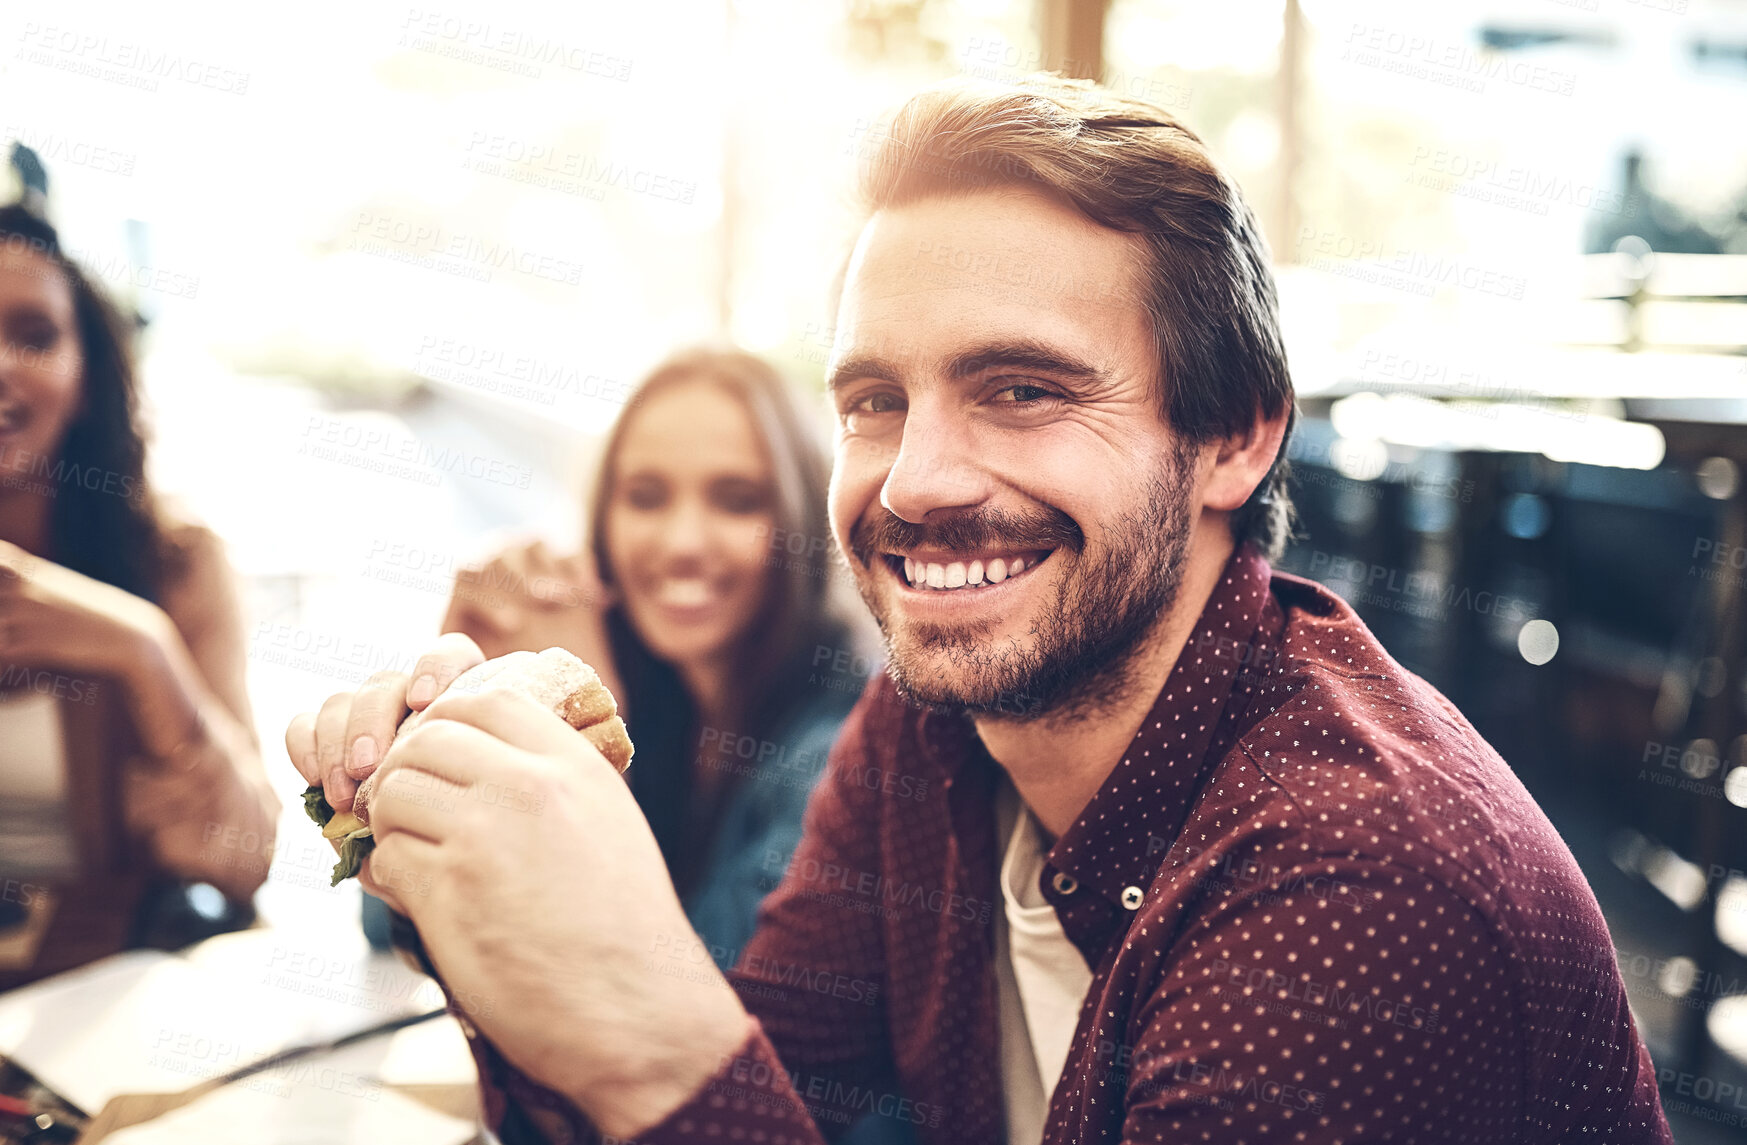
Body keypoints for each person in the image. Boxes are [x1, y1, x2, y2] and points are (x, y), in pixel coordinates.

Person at [287, 76, 1672, 1144]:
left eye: (1020, 389)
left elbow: (691, 1088)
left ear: (1233, 437)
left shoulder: (1357, 890)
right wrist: (488, 875)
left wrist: (654, 1037)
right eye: (873, 401)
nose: (916, 481)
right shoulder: (928, 729)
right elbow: (787, 1098)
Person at [429, 347, 874, 960]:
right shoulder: (659, 697)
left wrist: (585, 747)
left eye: (736, 499)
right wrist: (463, 688)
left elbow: (697, 992)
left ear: (801, 518)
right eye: (645, 496)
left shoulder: (840, 749)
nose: (682, 541)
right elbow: (394, 913)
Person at [0, 204, 276, 989]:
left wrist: (144, 647)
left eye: (36, 335)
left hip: (110, 991)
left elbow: (243, 855)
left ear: (87, 377)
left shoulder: (178, 561)